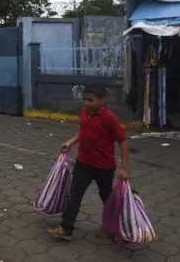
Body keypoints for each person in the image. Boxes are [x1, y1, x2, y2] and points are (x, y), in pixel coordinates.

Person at [49, 85, 130, 241]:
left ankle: (112, 228)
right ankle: (66, 228)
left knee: (106, 197)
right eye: (84, 100)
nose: (86, 103)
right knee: (74, 194)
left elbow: (123, 142)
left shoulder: (110, 118)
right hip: (83, 163)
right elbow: (83, 131)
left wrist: (124, 168)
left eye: (90, 100)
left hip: (104, 167)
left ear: (103, 100)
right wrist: (70, 142)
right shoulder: (85, 112)